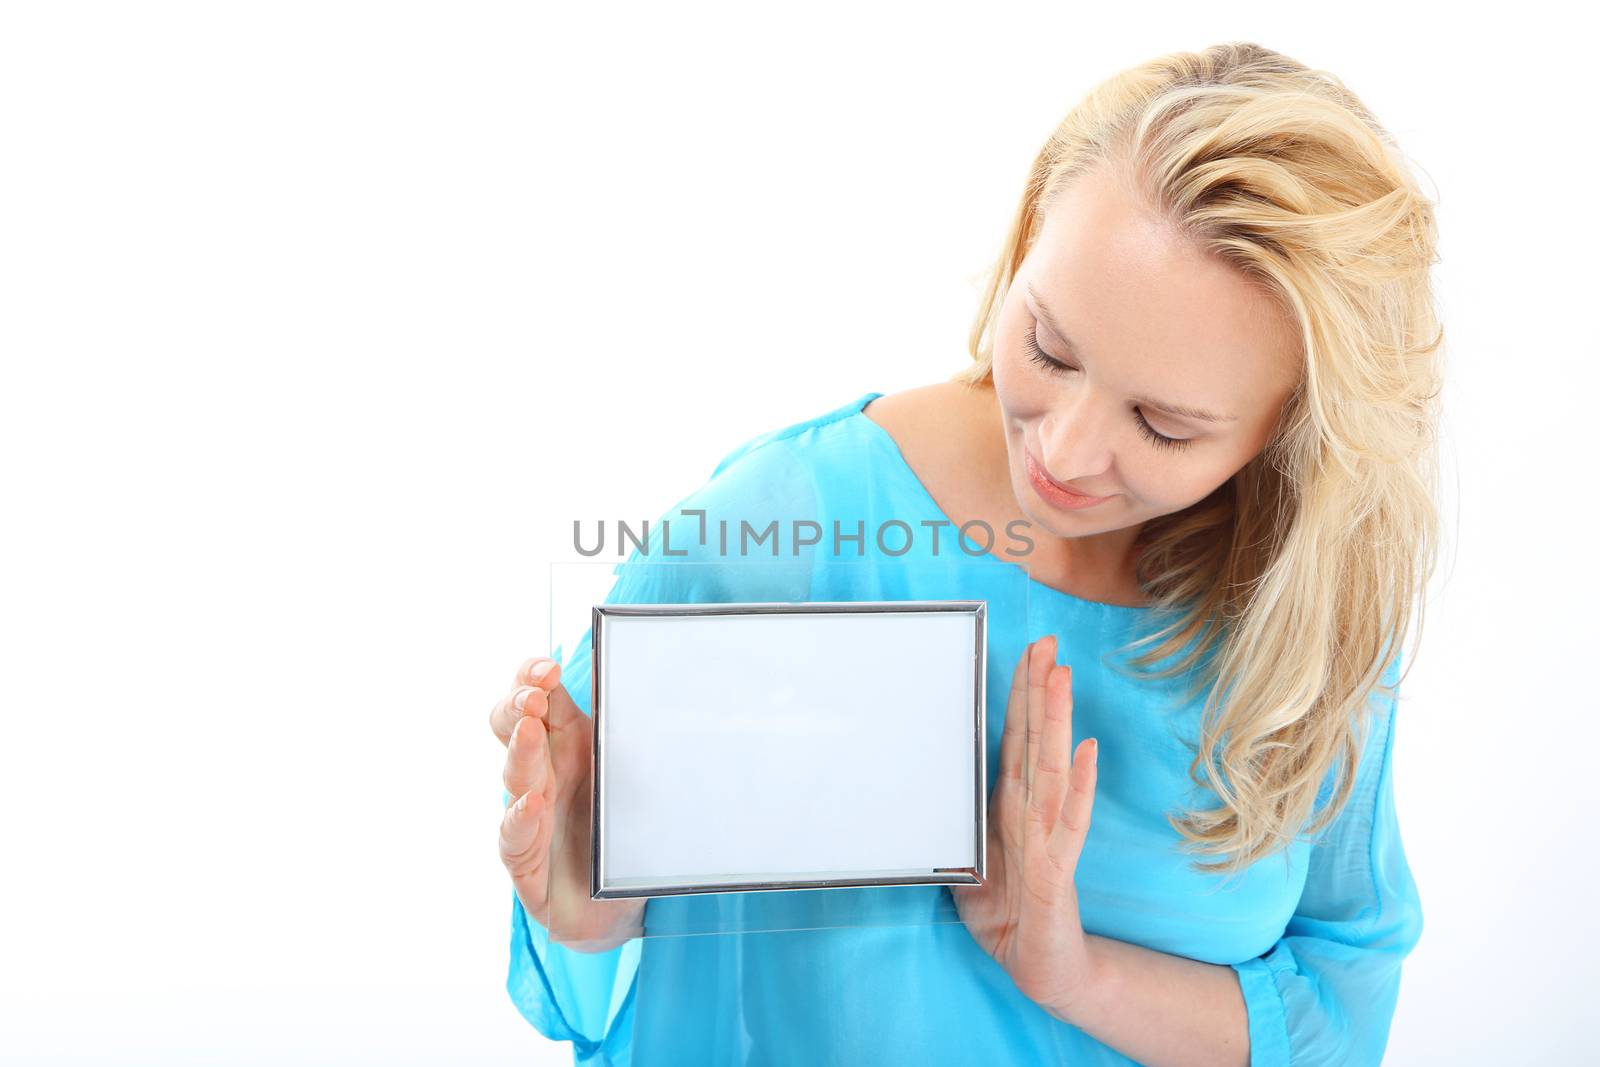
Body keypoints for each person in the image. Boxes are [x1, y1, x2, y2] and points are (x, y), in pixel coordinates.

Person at [490, 41, 1442, 1066]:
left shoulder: (1305, 607)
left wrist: (1073, 972)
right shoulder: (779, 532)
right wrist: (581, 888)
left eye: (1164, 425)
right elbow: (597, 971)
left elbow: (1340, 1008)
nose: (1065, 452)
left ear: (1291, 434)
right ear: (1029, 236)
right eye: (1048, 346)